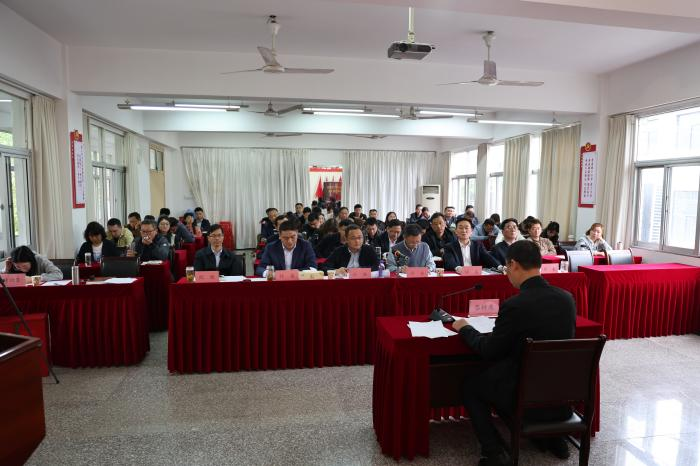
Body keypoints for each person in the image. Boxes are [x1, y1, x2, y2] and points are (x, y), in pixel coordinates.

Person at [452, 241, 577, 465]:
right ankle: (553, 438)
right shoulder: (566, 298)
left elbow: (489, 351)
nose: (507, 272)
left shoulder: (516, 304)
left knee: (471, 385)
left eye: (507, 267)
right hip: (561, 393)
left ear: (514, 264)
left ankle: (493, 452)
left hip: (523, 393)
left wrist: (466, 328)